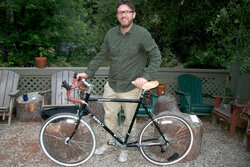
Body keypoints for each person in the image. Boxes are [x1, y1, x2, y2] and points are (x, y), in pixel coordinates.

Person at [76, 0, 161, 163]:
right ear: (117, 16)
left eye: (127, 12)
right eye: (121, 12)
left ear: (133, 14)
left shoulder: (142, 34)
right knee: (109, 117)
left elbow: (156, 56)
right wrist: (87, 73)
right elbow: (101, 55)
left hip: (132, 87)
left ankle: (125, 147)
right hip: (112, 85)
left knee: (129, 120)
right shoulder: (111, 34)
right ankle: (109, 143)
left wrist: (145, 76)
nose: (124, 15)